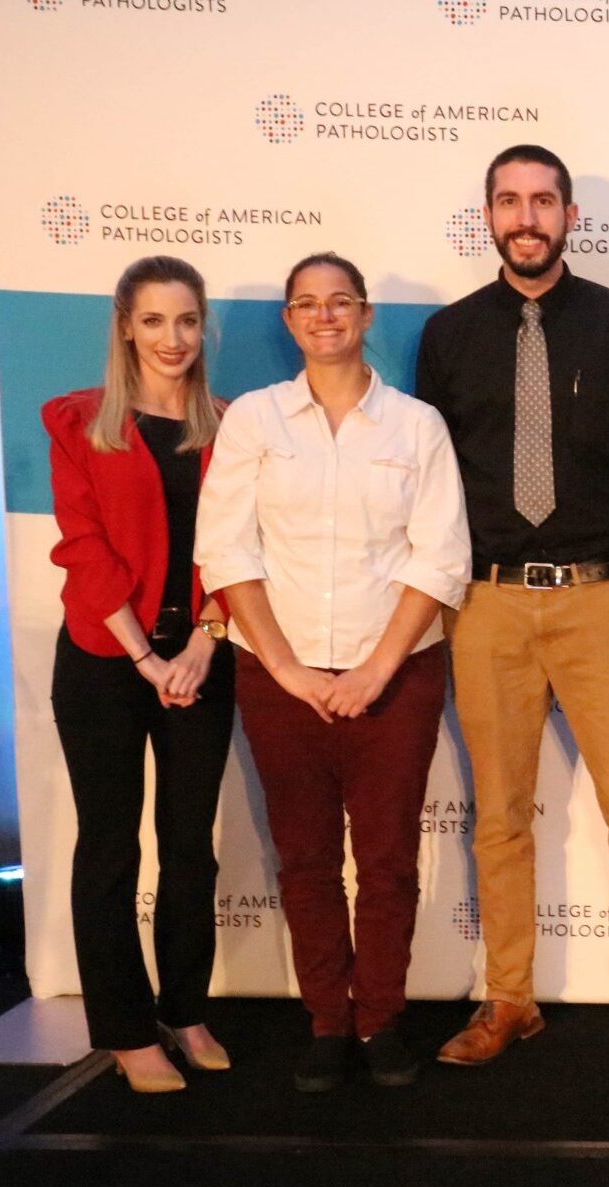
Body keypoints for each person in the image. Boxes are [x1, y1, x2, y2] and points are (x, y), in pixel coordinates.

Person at [414, 145, 609, 1071]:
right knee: (499, 817)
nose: (525, 217)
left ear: (570, 215)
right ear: (487, 216)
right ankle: (509, 999)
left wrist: (604, 568)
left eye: (542, 201)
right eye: (508, 201)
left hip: (600, 598)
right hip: (486, 607)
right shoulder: (447, 337)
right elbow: (435, 483)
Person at [196, 252, 471, 1093]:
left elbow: (442, 558)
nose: (325, 317)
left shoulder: (416, 425)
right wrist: (284, 666)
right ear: (288, 320)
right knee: (306, 858)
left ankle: (381, 1017)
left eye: (340, 302)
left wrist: (375, 671)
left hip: (397, 677)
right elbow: (225, 549)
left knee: (386, 860)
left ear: (365, 315)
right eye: (307, 305)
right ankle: (326, 1021)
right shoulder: (252, 421)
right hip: (279, 680)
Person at [43, 256, 235, 1094]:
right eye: (154, 321)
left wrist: (205, 639)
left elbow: (243, 546)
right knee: (110, 848)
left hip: (201, 658)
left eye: (187, 321)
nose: (172, 338)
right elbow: (82, 549)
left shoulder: (233, 426)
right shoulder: (80, 421)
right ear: (125, 324)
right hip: (104, 663)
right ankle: (124, 1030)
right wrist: (146, 657)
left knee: (191, 848)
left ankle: (185, 1008)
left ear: (204, 329)